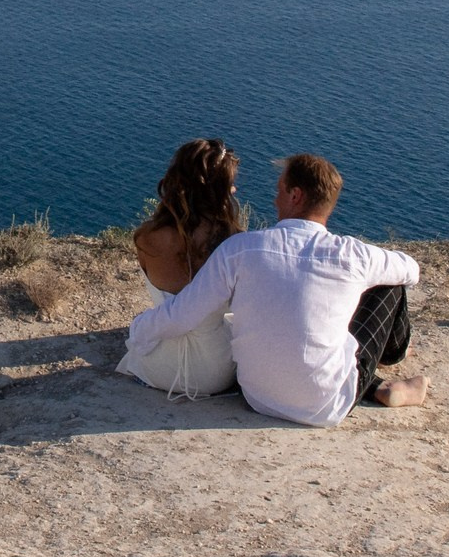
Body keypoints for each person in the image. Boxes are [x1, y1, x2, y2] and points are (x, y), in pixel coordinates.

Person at [124, 153, 427, 425]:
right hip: (325, 406)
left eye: (279, 189)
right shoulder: (351, 254)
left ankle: (385, 365)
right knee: (390, 285)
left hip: (258, 397)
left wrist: (138, 331)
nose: (274, 198)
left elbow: (183, 312)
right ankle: (392, 358)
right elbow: (411, 271)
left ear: (295, 196)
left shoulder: (240, 249)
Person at [115, 139, 244, 396]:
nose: (235, 188)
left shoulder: (147, 238)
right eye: (229, 183)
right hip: (216, 373)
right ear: (221, 190)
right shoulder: (235, 244)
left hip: (159, 368)